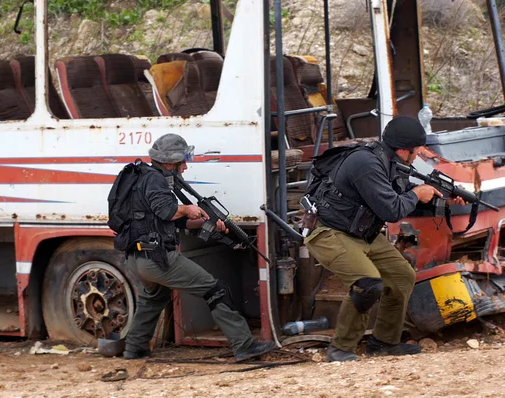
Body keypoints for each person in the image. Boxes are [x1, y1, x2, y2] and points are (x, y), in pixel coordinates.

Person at [304, 116, 465, 362]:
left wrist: (439, 199)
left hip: (361, 232)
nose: (419, 154)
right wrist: (416, 193)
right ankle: (341, 349)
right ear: (404, 149)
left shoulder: (393, 162)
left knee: (402, 276)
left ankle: (384, 342)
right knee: (367, 283)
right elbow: (392, 210)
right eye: (417, 150)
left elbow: (402, 201)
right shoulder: (367, 163)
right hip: (329, 232)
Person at [120, 133, 276, 361]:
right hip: (157, 257)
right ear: (169, 161)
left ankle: (134, 348)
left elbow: (175, 220)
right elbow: (168, 211)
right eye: (181, 162)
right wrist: (187, 209)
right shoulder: (155, 180)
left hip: (137, 258)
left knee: (154, 297)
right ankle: (244, 345)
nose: (184, 167)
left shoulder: (142, 177)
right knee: (216, 290)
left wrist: (206, 222)